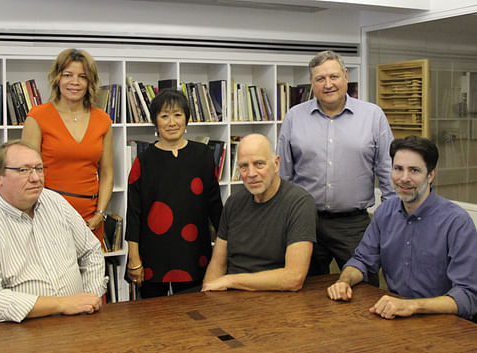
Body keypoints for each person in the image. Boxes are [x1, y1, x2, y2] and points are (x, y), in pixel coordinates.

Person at [276, 50, 395, 285]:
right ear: (312, 82)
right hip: (305, 221)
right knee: (305, 291)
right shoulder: (294, 117)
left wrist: (390, 221)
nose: (328, 84)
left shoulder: (372, 116)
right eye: (320, 79)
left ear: (345, 76)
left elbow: (387, 171)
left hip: (354, 225)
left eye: (334, 76)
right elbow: (284, 175)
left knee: (363, 290)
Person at [327, 136, 477, 321]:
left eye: (414, 170)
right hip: (397, 317)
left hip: (444, 323)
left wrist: (413, 306)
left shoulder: (456, 222)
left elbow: (468, 296)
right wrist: (344, 281)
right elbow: (362, 261)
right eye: (398, 169)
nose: (404, 178)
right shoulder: (385, 213)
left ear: (431, 175)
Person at [0, 140, 107, 323]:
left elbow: (91, 250)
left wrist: (87, 300)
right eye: (24, 170)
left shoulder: (55, 202)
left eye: (39, 169)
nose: (36, 178)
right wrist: (62, 304)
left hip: (74, 323)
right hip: (8, 333)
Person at [125, 89, 223, 298]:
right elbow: (134, 214)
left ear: (186, 119)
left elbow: (215, 207)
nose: (172, 122)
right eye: (164, 115)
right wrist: (134, 258)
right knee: (154, 321)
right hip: (153, 257)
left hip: (195, 253)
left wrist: (226, 253)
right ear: (155, 122)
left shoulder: (203, 155)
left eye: (178, 115)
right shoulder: (143, 161)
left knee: (196, 318)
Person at [202, 134, 316, 292]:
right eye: (243, 166)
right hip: (231, 297)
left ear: (276, 164)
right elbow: (217, 264)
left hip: (276, 296)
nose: (251, 173)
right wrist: (207, 294)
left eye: (259, 164)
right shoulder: (234, 202)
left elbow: (293, 278)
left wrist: (230, 280)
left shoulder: (299, 203)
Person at [22, 48, 113, 243]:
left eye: (82, 76)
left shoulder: (103, 119)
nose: (75, 82)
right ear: (57, 78)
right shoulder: (37, 116)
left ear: (90, 82)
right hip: (48, 217)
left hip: (91, 220)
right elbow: (28, 173)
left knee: (91, 273)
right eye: (68, 75)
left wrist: (101, 214)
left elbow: (107, 173)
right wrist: (42, 214)